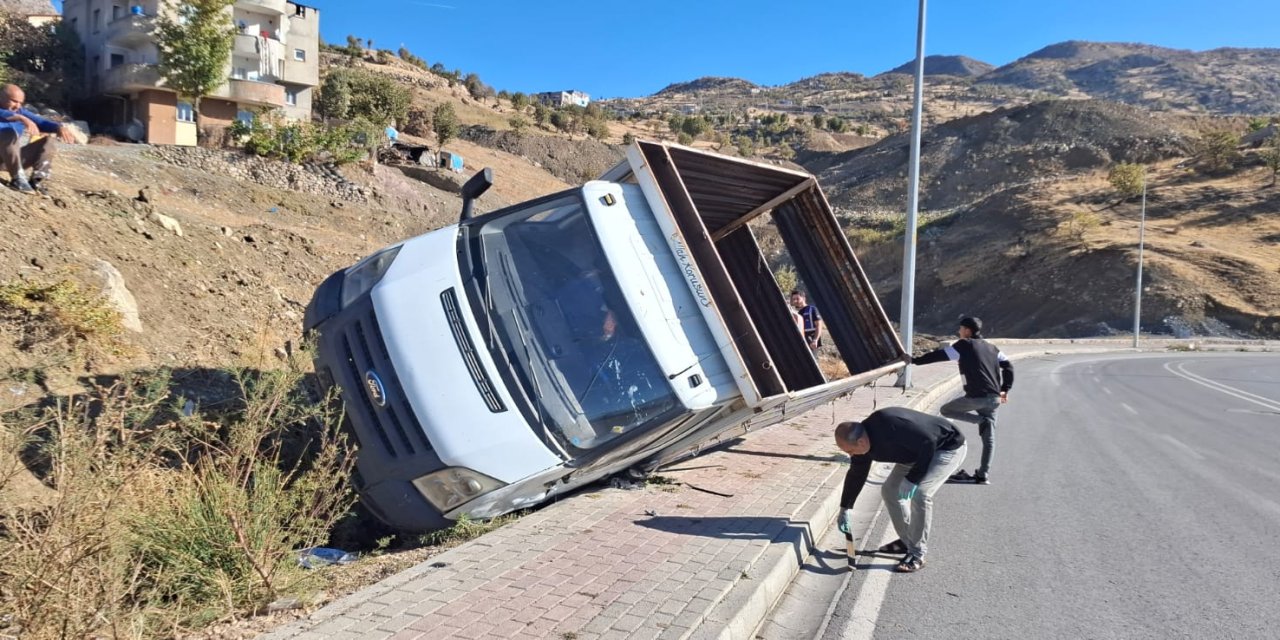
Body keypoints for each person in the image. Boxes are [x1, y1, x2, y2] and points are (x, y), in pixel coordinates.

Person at [834, 406, 967, 573]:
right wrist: (845, 507)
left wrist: (913, 480)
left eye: (850, 451)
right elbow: (856, 474)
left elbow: (929, 441)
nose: (851, 455)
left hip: (946, 448)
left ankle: (917, 553)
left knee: (920, 493)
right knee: (889, 491)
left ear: (860, 442)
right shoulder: (861, 445)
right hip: (914, 454)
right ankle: (908, 541)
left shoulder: (890, 425)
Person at [909, 316, 1013, 485]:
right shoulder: (993, 348)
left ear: (967, 331)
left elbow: (939, 355)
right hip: (994, 398)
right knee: (989, 438)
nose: (958, 332)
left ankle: (981, 420)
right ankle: (983, 475)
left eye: (960, 329)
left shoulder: (964, 345)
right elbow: (1008, 366)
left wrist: (914, 361)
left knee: (946, 410)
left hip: (976, 397)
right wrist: (1004, 390)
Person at [1, 83, 76, 194]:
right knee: (9, 133)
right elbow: (4, 114)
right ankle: (17, 179)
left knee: (48, 141)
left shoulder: (20, 112)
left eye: (20, 103)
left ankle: (37, 180)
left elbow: (42, 122)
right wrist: (21, 118)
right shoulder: (18, 115)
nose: (17, 106)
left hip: (7, 160)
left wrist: (59, 127)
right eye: (13, 101)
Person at [790, 290, 822, 354]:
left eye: (797, 299)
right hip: (802, 340)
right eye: (794, 299)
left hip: (811, 341)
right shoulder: (797, 313)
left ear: (804, 298)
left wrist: (815, 340)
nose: (795, 301)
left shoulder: (812, 309)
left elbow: (819, 325)